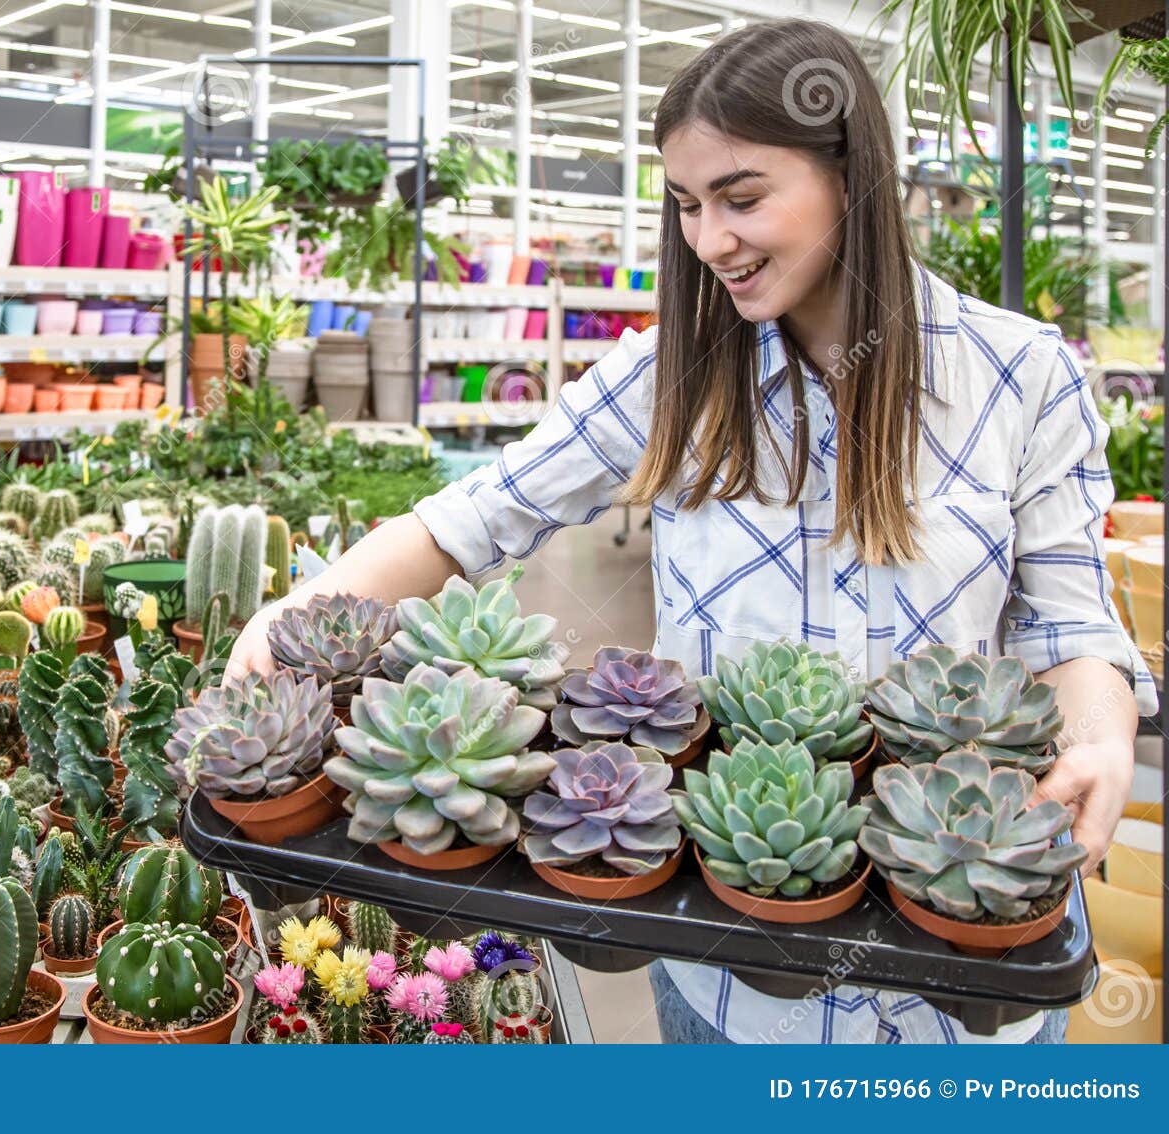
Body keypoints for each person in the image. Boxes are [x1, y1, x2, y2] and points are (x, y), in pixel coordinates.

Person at [227, 18, 1157, 1044]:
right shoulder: (664, 375)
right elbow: (468, 521)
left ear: (850, 178)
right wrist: (296, 611)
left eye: (742, 197)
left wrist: (1101, 740)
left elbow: (1070, 629)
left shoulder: (1022, 376)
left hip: (963, 972)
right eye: (685, 206)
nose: (709, 240)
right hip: (730, 990)